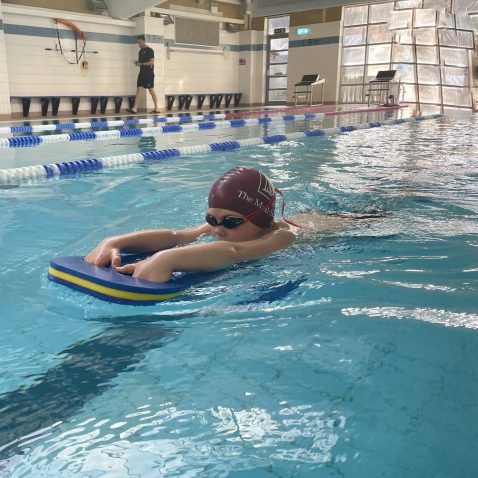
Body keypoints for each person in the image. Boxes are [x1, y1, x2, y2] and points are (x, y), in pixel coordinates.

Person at [85, 167, 381, 283]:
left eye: (230, 221)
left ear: (260, 219)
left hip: (352, 224)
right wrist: (117, 241)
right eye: (211, 218)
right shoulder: (220, 227)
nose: (216, 229)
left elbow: (235, 253)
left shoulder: (282, 236)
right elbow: (178, 235)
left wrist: (168, 258)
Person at [127, 35, 160, 114]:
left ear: (144, 41)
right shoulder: (140, 51)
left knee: (151, 90)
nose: (139, 44)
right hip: (142, 73)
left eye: (140, 42)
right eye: (138, 43)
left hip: (148, 73)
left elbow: (151, 62)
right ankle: (134, 108)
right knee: (139, 89)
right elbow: (141, 63)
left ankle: (156, 108)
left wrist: (141, 64)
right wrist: (137, 63)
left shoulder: (149, 50)